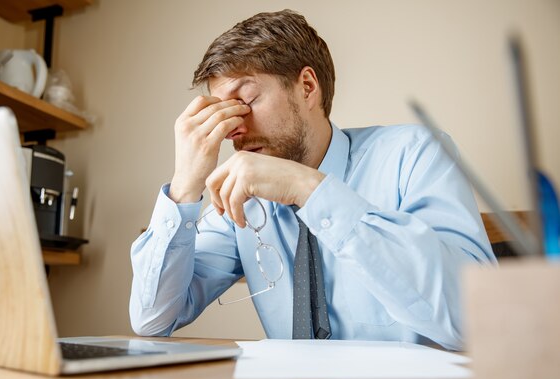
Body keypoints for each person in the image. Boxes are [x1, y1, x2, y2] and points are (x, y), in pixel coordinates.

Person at [129, 9, 495, 350]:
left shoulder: (415, 155)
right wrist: (184, 186)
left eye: (246, 100)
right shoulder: (243, 203)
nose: (232, 129)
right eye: (221, 110)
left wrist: (308, 190)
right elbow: (153, 319)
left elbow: (478, 320)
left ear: (306, 86)